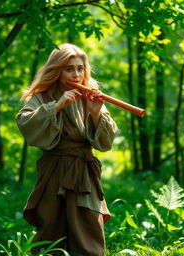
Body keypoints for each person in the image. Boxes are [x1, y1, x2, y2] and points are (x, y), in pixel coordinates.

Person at [16, 43, 118, 256]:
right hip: (54, 169)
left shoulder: (91, 96)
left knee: (89, 221)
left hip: (84, 172)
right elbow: (25, 123)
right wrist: (57, 106)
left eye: (80, 68)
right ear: (57, 69)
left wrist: (95, 113)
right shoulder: (43, 96)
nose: (76, 74)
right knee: (52, 223)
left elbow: (106, 142)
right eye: (69, 68)